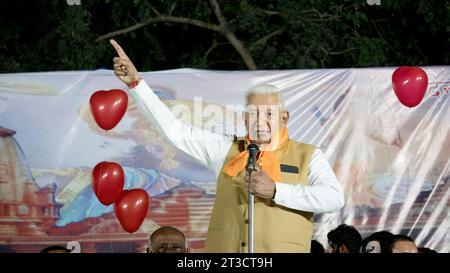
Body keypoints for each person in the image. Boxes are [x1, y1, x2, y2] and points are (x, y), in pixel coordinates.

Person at [110, 39, 344, 253]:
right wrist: (137, 84)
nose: (261, 120)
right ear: (244, 119)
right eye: (254, 114)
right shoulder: (225, 149)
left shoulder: (308, 155)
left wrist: (276, 191)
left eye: (269, 114)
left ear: (284, 117)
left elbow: (334, 198)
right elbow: (175, 131)